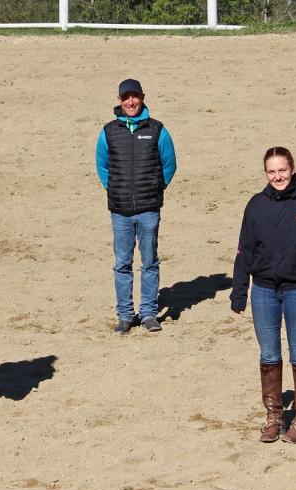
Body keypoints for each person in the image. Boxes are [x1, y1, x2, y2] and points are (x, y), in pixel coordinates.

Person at [231, 147, 296, 444]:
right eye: (272, 171)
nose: (278, 176)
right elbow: (244, 250)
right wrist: (239, 292)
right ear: (266, 173)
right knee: (269, 354)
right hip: (263, 291)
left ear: (292, 169)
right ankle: (274, 417)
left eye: (282, 170)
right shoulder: (255, 205)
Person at [94, 78, 178, 333]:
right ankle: (125, 315)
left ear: (142, 97)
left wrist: (153, 189)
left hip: (149, 208)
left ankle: (150, 313)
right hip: (120, 210)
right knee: (122, 263)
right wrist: (117, 189)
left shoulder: (157, 130)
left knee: (150, 261)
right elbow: (102, 166)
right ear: (120, 101)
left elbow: (169, 165)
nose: (130, 102)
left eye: (134, 97)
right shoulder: (108, 132)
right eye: (125, 98)